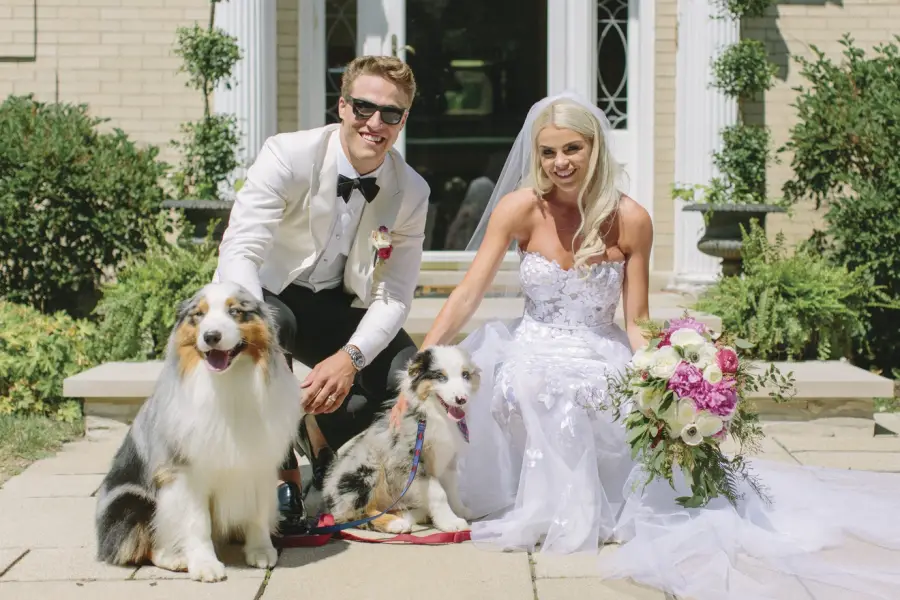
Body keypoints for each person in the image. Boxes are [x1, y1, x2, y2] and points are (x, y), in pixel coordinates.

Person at [391, 92, 900, 600]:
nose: (560, 163)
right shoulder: (520, 207)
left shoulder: (631, 218)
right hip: (533, 339)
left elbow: (636, 321)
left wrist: (672, 377)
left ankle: (594, 506)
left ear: (595, 148)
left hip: (599, 342)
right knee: (529, 381)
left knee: (603, 389)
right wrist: (421, 364)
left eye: (572, 148)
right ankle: (540, 506)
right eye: (548, 152)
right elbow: (467, 294)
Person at [215, 55, 428, 536]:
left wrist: (350, 358)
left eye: (390, 114)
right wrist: (262, 332)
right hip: (268, 291)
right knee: (272, 330)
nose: (375, 123)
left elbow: (393, 295)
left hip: (338, 303)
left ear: (403, 121)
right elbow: (240, 251)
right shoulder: (288, 154)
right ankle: (282, 477)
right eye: (364, 108)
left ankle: (331, 450)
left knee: (401, 374)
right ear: (342, 106)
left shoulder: (411, 191)